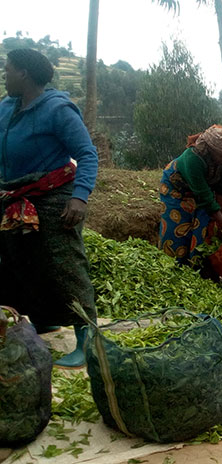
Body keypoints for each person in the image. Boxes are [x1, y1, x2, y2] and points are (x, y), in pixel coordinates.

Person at [0, 48, 98, 367]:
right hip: (15, 196)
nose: (4, 74)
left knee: (63, 265)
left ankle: (88, 340)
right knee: (21, 262)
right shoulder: (6, 107)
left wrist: (79, 197)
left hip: (54, 196)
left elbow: (87, 154)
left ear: (24, 74)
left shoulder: (57, 110)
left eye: (8, 69)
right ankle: (43, 321)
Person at [158, 125, 222, 265]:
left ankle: (197, 266)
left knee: (203, 226)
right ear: (210, 149)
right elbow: (205, 198)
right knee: (177, 227)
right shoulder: (193, 158)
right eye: (221, 155)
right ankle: (172, 266)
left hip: (204, 189)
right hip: (177, 188)